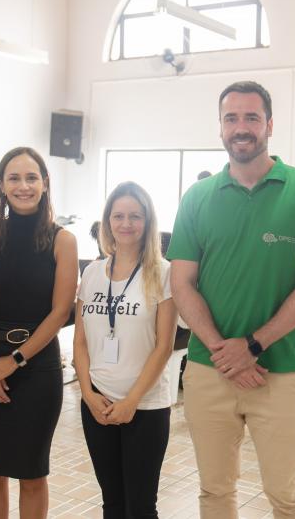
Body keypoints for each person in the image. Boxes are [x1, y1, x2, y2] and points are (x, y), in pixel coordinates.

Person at [167, 81, 295, 519]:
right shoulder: (197, 198)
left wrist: (253, 345)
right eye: (231, 118)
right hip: (209, 370)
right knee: (215, 492)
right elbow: (182, 283)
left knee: (288, 497)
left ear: (270, 125)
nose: (240, 127)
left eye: (251, 117)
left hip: (280, 371)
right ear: (220, 127)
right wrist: (225, 353)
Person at [0, 147, 78, 518]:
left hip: (36, 367)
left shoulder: (63, 240)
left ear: (45, 183)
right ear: (1, 184)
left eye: (31, 178)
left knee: (32, 474)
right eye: (14, 178)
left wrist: (13, 361)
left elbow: (60, 311)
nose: (23, 186)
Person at [74, 181, 177, 518]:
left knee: (141, 507)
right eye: (118, 216)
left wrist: (131, 401)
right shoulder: (92, 273)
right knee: (113, 503)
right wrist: (88, 394)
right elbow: (80, 341)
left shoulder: (163, 273)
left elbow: (163, 346)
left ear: (148, 222)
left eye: (135, 216)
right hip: (98, 403)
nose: (126, 223)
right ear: (107, 222)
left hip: (145, 406)